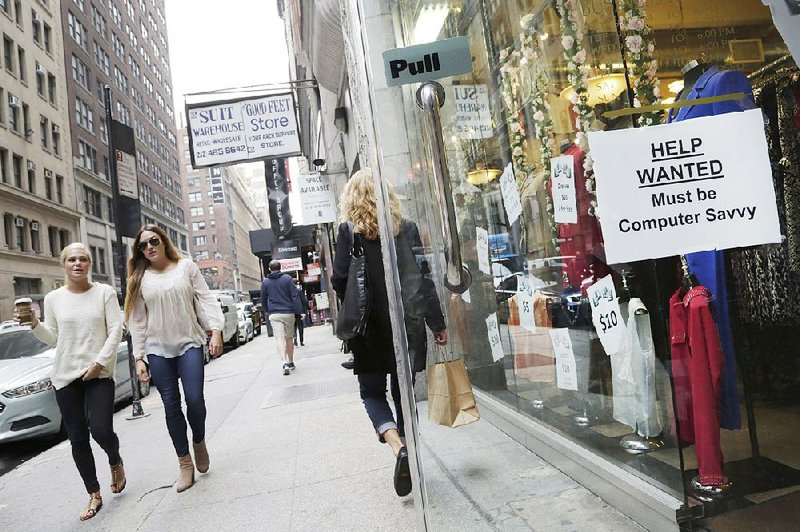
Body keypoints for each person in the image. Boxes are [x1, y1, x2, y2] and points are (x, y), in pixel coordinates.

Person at [332, 168, 447, 497]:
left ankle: (398, 448)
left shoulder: (348, 233)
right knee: (403, 396)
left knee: (371, 393)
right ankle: (410, 454)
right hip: (407, 326)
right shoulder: (406, 229)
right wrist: (436, 323)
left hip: (368, 331)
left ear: (352, 199)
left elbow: (341, 280)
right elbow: (422, 280)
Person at [22, 243, 124, 521]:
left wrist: (99, 363)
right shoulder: (54, 298)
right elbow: (54, 338)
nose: (77, 264)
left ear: (89, 264)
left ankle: (115, 459)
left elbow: (116, 330)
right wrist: (34, 324)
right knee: (78, 439)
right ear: (63, 265)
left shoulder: (104, 293)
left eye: (83, 259)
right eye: (72, 260)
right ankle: (94, 493)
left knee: (101, 431)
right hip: (66, 376)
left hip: (99, 373)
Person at [124, 225, 224, 493]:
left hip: (190, 341)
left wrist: (216, 330)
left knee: (194, 399)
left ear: (163, 241)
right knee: (171, 406)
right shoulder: (139, 278)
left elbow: (206, 299)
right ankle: (184, 464)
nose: (149, 247)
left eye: (153, 241)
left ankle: (199, 441)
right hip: (158, 349)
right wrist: (139, 357)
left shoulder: (186, 267)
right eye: (142, 245)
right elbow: (138, 321)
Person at [260, 260, 303, 375]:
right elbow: (294, 296)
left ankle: (283, 362)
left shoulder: (266, 282)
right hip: (288, 312)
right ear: (281, 267)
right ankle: (290, 361)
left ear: (269, 269)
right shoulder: (288, 279)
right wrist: (299, 311)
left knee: (279, 338)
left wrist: (267, 310)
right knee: (289, 337)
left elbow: (263, 299)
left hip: (274, 313)